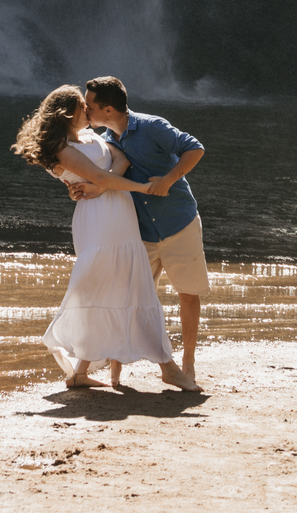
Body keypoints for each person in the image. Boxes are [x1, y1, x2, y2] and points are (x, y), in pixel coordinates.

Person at [12, 84, 199, 392]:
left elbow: (120, 159)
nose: (87, 110)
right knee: (128, 288)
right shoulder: (60, 148)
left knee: (110, 289)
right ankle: (168, 366)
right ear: (67, 112)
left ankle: (80, 371)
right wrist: (143, 188)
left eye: (89, 105)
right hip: (98, 219)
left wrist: (105, 186)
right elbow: (99, 176)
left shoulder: (88, 136)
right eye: (81, 106)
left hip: (117, 212)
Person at [75, 76, 209, 386]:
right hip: (140, 234)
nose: (85, 110)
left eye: (89, 106)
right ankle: (116, 372)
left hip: (179, 223)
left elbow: (195, 149)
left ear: (108, 109)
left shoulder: (153, 126)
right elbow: (107, 178)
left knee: (187, 294)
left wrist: (169, 179)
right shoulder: (107, 140)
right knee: (128, 299)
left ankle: (187, 362)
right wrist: (84, 189)